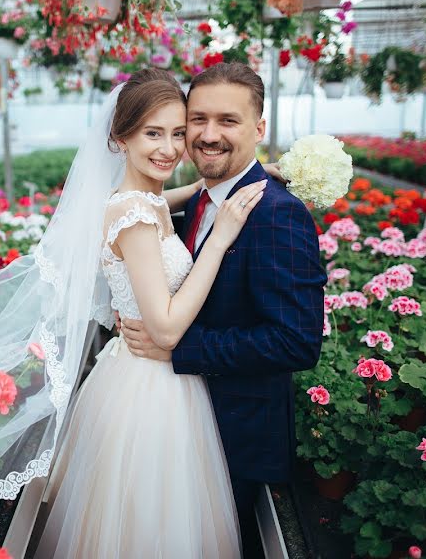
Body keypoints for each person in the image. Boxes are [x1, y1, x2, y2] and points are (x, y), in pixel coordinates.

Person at [34, 68, 269, 558]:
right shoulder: (135, 216)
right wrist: (220, 236)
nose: (169, 148)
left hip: (132, 372)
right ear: (120, 139)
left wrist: (207, 193)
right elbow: (164, 327)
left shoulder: (143, 201)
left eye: (178, 133)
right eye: (153, 133)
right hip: (149, 385)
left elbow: (157, 204)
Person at [119, 62, 327, 559]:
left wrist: (177, 349)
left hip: (233, 433)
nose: (208, 136)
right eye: (198, 119)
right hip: (170, 417)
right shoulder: (198, 201)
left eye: (228, 122)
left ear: (259, 129)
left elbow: (296, 341)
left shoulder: (278, 214)